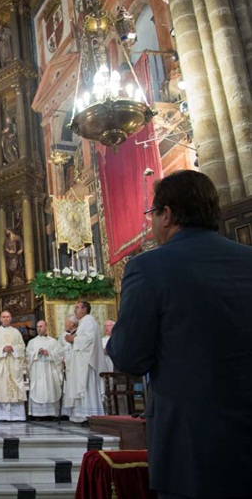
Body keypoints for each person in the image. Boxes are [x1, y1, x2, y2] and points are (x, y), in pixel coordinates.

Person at [107, 170, 252, 498]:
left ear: (167, 214)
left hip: (190, 447)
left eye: (152, 215)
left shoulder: (149, 267)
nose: (152, 224)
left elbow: (130, 357)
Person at [63, 301, 107, 424]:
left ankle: (90, 414)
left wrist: (74, 339)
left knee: (87, 386)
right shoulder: (84, 322)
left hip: (87, 363)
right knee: (82, 387)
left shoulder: (88, 321)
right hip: (82, 361)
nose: (75, 310)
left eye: (77, 308)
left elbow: (89, 340)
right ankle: (82, 415)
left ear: (85, 309)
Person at [0, 310, 26, 421]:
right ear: (0, 319)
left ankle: (17, 416)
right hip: (2, 366)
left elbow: (22, 347)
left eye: (8, 316)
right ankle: (2, 415)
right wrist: (3, 349)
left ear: (11, 318)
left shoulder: (16, 332)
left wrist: (13, 348)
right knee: (2, 388)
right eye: (3, 317)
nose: (5, 318)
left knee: (14, 388)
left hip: (14, 365)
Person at [26, 320, 62, 418]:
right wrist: (37, 352)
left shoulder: (53, 341)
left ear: (46, 327)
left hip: (49, 370)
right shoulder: (32, 342)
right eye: (37, 326)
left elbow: (59, 355)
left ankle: (51, 413)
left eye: (41, 326)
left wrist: (49, 353)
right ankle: (38, 414)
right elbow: (28, 355)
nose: (39, 328)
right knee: (38, 389)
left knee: (50, 389)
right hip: (37, 370)